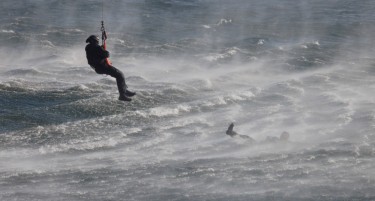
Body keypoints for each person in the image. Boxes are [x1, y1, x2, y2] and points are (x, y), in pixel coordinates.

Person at [85, 35, 135, 101]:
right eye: (97, 41)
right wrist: (102, 49)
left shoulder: (88, 47)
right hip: (103, 67)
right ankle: (122, 95)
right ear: (95, 40)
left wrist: (101, 48)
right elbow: (106, 54)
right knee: (120, 75)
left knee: (119, 75)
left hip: (98, 68)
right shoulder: (96, 47)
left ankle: (124, 90)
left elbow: (97, 54)